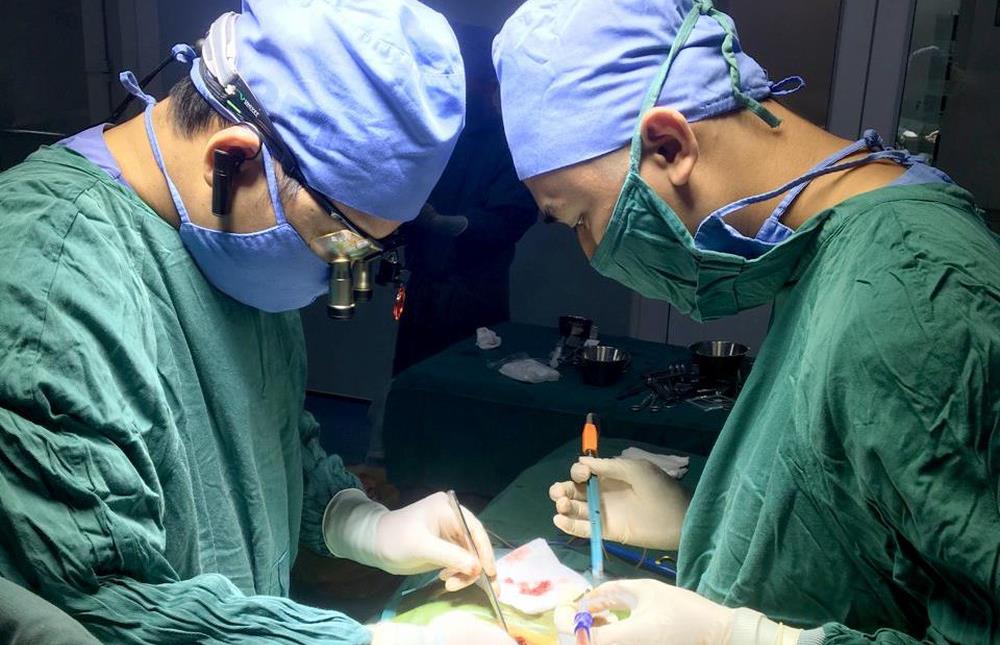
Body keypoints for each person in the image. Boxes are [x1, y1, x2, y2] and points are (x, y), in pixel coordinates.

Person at [0, 1, 515, 643]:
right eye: (341, 243)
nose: (340, 275)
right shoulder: (45, 277)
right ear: (232, 161)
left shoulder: (232, 247)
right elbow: (98, 601)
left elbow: (270, 440)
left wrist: (359, 521)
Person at [493, 0, 999, 643]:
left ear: (669, 145)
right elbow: (862, 519)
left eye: (580, 219)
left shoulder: (918, 291)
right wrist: (702, 523)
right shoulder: (833, 246)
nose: (593, 254)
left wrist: (743, 637)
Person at [391, 24, 537, 376]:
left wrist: (449, 224)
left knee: (464, 384)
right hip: (423, 289)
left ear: (488, 86)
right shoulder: (439, 135)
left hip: (474, 295)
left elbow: (512, 217)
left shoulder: (506, 144)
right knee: (411, 383)